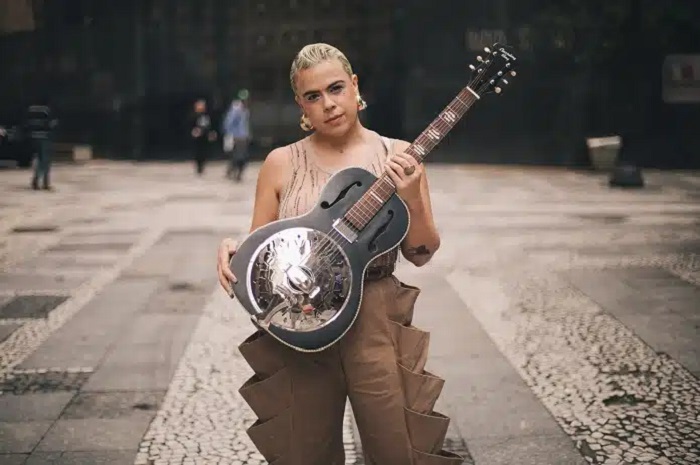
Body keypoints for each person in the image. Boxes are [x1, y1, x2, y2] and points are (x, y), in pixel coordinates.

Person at [216, 43, 463, 465]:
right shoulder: (281, 163)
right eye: (313, 96)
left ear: (354, 86)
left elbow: (421, 253)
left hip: (376, 316)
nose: (328, 104)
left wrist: (412, 198)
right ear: (301, 105)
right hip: (302, 327)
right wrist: (234, 248)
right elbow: (264, 251)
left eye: (335, 89)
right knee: (305, 452)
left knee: (397, 449)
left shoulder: (398, 155)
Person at [25, 100, 58, 190]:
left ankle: (37, 180)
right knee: (45, 160)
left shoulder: (31, 109)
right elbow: (50, 124)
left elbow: (27, 123)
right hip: (44, 137)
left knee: (39, 159)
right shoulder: (45, 109)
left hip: (33, 136)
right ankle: (43, 182)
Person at [222, 89, 251, 182]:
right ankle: (234, 173)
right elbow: (229, 122)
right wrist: (230, 134)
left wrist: (248, 134)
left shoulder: (245, 110)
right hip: (237, 136)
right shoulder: (236, 109)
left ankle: (236, 173)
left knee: (243, 156)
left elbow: (246, 124)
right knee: (237, 156)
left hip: (243, 136)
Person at [190, 98, 217, 175]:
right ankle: (198, 167)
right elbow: (190, 125)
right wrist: (194, 131)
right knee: (197, 152)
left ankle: (202, 166)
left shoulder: (207, 115)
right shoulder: (194, 115)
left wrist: (212, 133)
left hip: (205, 136)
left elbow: (210, 125)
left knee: (205, 152)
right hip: (197, 137)